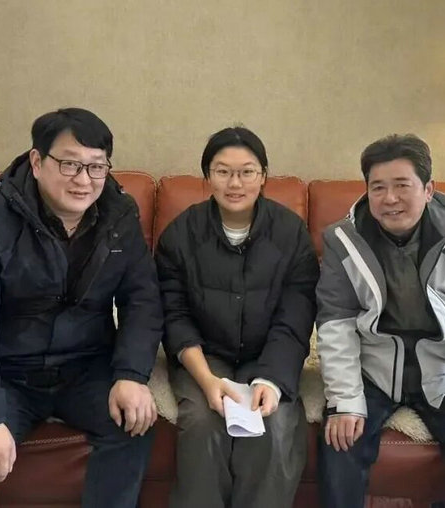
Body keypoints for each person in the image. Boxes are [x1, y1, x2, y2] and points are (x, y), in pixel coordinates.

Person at [0, 108, 163, 508]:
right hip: (7, 371)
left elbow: (142, 298)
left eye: (96, 167)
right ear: (37, 162)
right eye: (70, 164)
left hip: (87, 367)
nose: (84, 180)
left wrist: (131, 374)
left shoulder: (119, 213)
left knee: (134, 424)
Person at [315, 133, 445, 507]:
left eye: (402, 185)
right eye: (378, 187)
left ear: (428, 189)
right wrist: (345, 401)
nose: (390, 198)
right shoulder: (343, 240)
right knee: (339, 446)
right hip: (373, 369)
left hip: (443, 371)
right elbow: (335, 325)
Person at [155, 126, 318, 508]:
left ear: (263, 175)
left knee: (275, 425)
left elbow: (296, 315)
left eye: (247, 172)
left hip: (269, 354)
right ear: (207, 176)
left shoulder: (291, 233)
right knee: (201, 421)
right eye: (223, 171)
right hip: (205, 354)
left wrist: (272, 380)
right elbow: (174, 315)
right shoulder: (181, 234)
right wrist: (206, 379)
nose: (235, 183)